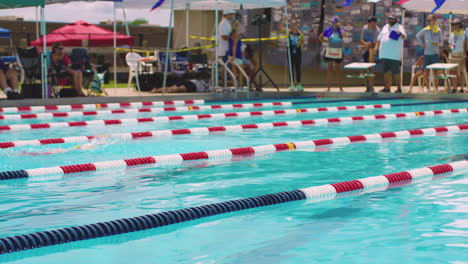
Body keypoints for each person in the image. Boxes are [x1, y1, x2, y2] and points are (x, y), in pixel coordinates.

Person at [375, 14, 406, 93]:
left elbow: (404, 37)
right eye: (389, 18)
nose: (390, 20)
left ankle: (399, 89)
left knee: (396, 72)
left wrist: (399, 33)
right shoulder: (385, 27)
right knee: (386, 72)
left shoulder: (399, 27)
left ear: (396, 20)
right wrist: (376, 48)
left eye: (392, 19)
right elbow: (379, 38)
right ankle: (387, 88)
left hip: (394, 55)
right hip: (384, 54)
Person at [416, 14, 443, 93]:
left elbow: (442, 42)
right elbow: (417, 36)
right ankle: (427, 88)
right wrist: (421, 44)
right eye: (428, 20)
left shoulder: (438, 30)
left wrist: (437, 43)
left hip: (435, 53)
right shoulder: (425, 29)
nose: (428, 21)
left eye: (430, 20)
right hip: (427, 53)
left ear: (434, 21)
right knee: (426, 71)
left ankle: (437, 88)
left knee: (435, 71)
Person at [319, 15, 345, 92]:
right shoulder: (328, 30)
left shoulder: (341, 30)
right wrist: (326, 41)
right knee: (330, 69)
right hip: (330, 51)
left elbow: (344, 35)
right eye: (332, 22)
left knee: (338, 70)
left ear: (337, 23)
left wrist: (341, 27)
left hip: (338, 51)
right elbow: (320, 37)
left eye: (334, 22)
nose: (333, 23)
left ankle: (340, 88)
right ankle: (328, 88)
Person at [280, 16, 304, 91]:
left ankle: (299, 84)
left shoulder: (300, 34)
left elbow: (302, 44)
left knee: (298, 68)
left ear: (297, 25)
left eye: (295, 24)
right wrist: (284, 20)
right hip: (290, 53)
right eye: (292, 24)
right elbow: (280, 28)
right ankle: (292, 84)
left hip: (297, 53)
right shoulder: (288, 32)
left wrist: (300, 43)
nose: (293, 25)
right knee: (291, 68)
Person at [360, 16, 380, 92]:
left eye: (375, 22)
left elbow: (375, 43)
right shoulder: (364, 28)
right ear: (369, 23)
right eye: (372, 22)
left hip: (372, 50)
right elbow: (362, 39)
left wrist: (366, 45)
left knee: (370, 69)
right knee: (365, 70)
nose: (374, 24)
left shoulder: (377, 30)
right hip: (365, 49)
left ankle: (371, 86)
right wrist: (366, 44)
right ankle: (367, 86)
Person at [217, 10, 235, 87]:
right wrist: (234, 38)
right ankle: (224, 85)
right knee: (225, 68)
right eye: (231, 14)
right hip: (225, 49)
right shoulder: (223, 24)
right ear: (226, 14)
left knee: (229, 68)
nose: (232, 16)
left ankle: (233, 84)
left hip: (228, 48)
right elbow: (224, 36)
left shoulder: (227, 23)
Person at [449, 18, 466, 93]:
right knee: (453, 72)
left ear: (459, 25)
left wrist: (464, 55)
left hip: (461, 55)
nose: (454, 26)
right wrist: (451, 47)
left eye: (455, 24)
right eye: (453, 24)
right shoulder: (452, 34)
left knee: (461, 72)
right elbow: (449, 44)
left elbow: (465, 44)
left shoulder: (464, 33)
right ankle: (454, 88)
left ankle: (462, 88)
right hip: (453, 55)